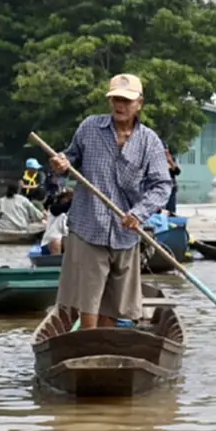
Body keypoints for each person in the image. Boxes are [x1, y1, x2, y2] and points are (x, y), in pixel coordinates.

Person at [47, 73, 172, 330]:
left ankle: (103, 347)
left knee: (115, 303)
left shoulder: (150, 141)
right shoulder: (90, 127)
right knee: (88, 298)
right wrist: (60, 164)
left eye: (126, 100)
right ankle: (86, 345)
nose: (120, 105)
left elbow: (162, 186)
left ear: (139, 103)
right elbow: (68, 159)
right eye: (116, 99)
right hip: (88, 225)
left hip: (126, 230)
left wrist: (139, 212)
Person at [41, 189, 74, 254]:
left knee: (68, 240)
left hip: (65, 243)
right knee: (56, 241)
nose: (67, 200)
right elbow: (62, 208)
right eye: (67, 198)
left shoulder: (73, 212)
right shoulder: (54, 208)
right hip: (50, 243)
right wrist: (71, 202)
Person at [164, 144, 181, 215]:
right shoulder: (155, 160)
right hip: (160, 188)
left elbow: (177, 171)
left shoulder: (171, 159)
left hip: (171, 187)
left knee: (171, 211)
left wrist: (170, 161)